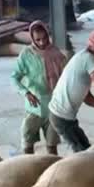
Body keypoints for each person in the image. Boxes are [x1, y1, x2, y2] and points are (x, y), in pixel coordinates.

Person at [10, 21, 67, 155]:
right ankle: (29, 168)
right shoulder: (26, 55)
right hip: (34, 105)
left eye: (45, 38)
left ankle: (51, 170)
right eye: (38, 40)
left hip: (53, 105)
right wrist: (26, 93)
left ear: (48, 35)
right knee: (27, 142)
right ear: (32, 39)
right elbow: (14, 77)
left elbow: (65, 77)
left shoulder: (56, 53)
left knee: (52, 145)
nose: (42, 42)